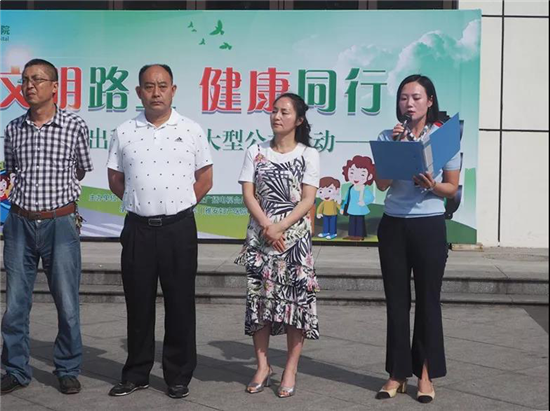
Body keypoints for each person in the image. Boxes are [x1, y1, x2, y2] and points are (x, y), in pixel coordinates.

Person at [106, 64, 213, 399]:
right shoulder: (125, 131)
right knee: (138, 303)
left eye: (162, 86)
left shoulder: (191, 129)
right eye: (149, 86)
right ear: (139, 92)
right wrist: (140, 203)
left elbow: (205, 178)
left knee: (180, 304)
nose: (156, 93)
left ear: (173, 90)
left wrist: (180, 205)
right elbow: (115, 178)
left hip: (178, 229)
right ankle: (136, 373)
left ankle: (178, 375)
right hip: (138, 229)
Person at [1, 59, 93, 395]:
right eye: (25, 80)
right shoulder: (13, 128)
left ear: (55, 87)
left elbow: (81, 168)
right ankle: (16, 369)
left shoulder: (74, 125)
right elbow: (12, 170)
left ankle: (67, 368)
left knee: (67, 302)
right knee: (15, 304)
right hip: (19, 223)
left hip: (60, 224)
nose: (29, 85)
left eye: (37, 79)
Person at [374, 74, 460, 404]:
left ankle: (425, 373)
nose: (409, 104)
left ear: (430, 101)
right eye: (403, 98)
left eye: (416, 97)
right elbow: (382, 184)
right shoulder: (388, 136)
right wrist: (396, 148)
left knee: (428, 300)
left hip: (429, 225)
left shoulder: (443, 138)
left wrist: (432, 185)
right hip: (394, 225)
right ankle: (397, 374)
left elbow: (451, 188)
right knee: (396, 301)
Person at [235, 92, 320, 398]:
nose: (277, 116)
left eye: (284, 112)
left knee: (295, 304)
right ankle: (262, 366)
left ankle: (290, 368)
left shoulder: (308, 154)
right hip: (261, 237)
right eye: (274, 111)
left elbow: (308, 199)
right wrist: (266, 226)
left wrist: (280, 226)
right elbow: (248, 194)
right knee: (259, 302)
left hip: (293, 241)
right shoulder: (256, 151)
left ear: (299, 120)